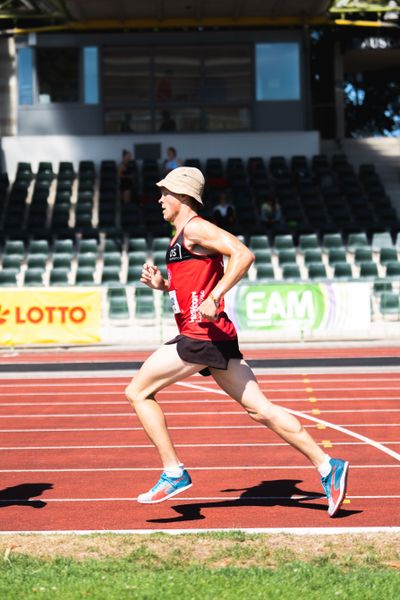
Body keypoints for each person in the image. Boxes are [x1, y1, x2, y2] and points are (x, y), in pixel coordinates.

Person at [125, 166, 349, 516]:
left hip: (200, 334)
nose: (159, 199)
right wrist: (164, 286)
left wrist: (216, 295)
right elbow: (191, 283)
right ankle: (327, 465)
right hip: (215, 334)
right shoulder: (182, 235)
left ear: (183, 197)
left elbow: (243, 254)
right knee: (260, 410)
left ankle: (173, 472)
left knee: (137, 392)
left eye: (165, 193)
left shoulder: (196, 227)